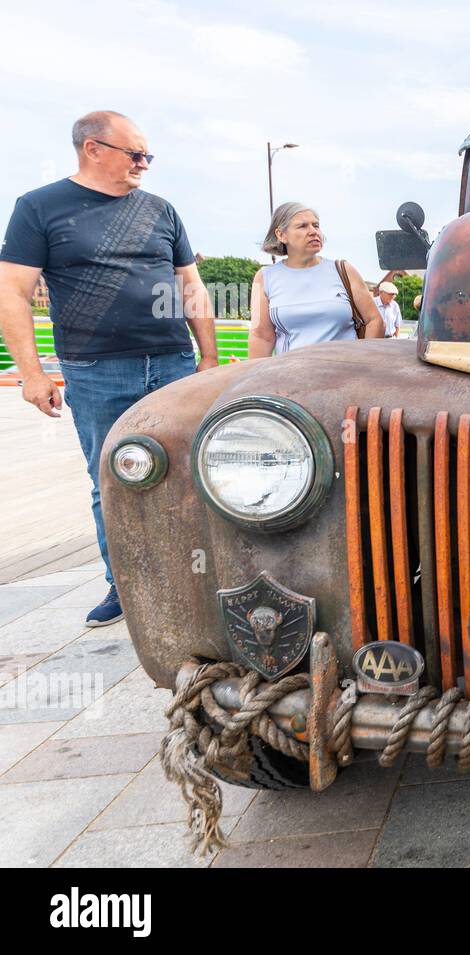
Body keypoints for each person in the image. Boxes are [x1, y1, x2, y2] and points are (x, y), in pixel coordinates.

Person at [0, 110, 216, 627]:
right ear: (93, 148)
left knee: (194, 475)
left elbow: (191, 285)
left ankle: (201, 579)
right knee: (115, 479)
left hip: (173, 364)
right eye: (135, 154)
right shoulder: (39, 208)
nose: (144, 164)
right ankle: (126, 587)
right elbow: (13, 291)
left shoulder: (161, 210)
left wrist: (207, 358)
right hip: (96, 369)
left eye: (148, 155)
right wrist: (31, 372)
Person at [247, 203, 383, 357]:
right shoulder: (265, 277)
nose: (313, 232)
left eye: (316, 225)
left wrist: (363, 363)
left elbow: (375, 321)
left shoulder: (344, 270)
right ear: (281, 235)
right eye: (303, 226)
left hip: (345, 375)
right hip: (290, 377)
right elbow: (261, 337)